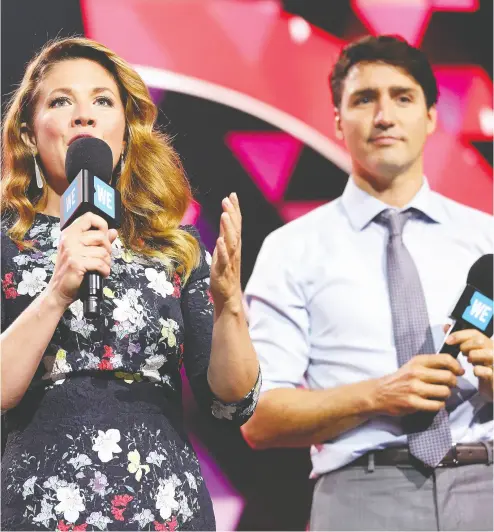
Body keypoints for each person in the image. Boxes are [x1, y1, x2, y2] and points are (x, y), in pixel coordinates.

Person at [0, 37, 260, 531]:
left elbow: (231, 403)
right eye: (61, 101)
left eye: (102, 100)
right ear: (31, 134)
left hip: (165, 507)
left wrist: (229, 308)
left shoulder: (174, 249)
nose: (84, 115)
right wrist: (56, 294)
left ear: (125, 131)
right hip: (42, 509)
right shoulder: (6, 246)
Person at [241, 35, 493, 531]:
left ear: (431, 116)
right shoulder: (293, 249)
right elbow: (259, 419)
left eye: (402, 96)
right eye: (363, 99)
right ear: (337, 119)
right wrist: (378, 395)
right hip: (362, 494)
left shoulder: (488, 236)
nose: (384, 115)